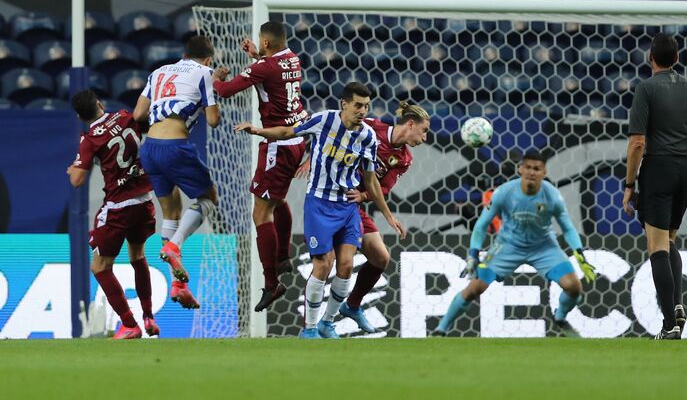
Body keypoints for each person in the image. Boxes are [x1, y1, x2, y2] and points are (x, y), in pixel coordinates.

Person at [234, 82, 406, 339]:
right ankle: (309, 329)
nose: (362, 110)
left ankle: (327, 323)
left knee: (346, 266)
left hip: (348, 207)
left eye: (366, 106)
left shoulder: (368, 136)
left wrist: (389, 216)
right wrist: (260, 130)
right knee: (324, 265)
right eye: (358, 105)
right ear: (344, 104)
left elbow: (371, 180)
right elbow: (288, 132)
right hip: (319, 204)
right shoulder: (324, 120)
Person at [434, 150, 597, 337]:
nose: (532, 172)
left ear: (544, 172)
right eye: (528, 167)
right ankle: (441, 329)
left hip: (544, 247)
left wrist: (579, 252)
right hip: (508, 246)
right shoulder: (504, 192)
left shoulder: (552, 196)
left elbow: (567, 228)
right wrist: (472, 254)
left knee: (574, 286)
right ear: (520, 169)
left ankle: (560, 318)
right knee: (474, 288)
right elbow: (481, 225)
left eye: (537, 168)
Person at [622, 33, 687, 340]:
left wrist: (629, 183)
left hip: (659, 167)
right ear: (677, 59)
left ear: (650, 58)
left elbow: (637, 142)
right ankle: (676, 306)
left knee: (656, 246)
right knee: (669, 239)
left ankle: (669, 324)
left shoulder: (646, 89)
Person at [213, 21, 308, 311]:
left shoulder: (264, 67)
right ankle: (283, 256)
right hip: (298, 137)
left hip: (276, 144)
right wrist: (257, 57)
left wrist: (215, 77)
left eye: (259, 42)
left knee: (261, 213)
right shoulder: (292, 58)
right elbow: (272, 71)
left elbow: (226, 90)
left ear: (266, 42)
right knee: (276, 201)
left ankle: (271, 283)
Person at [133, 35, 221, 310]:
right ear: (208, 59)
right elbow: (213, 120)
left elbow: (138, 115)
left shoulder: (158, 72)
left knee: (171, 212)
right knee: (209, 198)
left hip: (149, 149)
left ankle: (178, 285)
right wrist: (215, 88)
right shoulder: (206, 73)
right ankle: (174, 246)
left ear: (184, 54)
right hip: (175, 146)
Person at [68, 90, 157, 339]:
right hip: (145, 201)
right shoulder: (125, 116)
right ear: (99, 103)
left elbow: (77, 180)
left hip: (119, 207)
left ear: (79, 115)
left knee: (100, 266)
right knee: (138, 255)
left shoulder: (90, 138)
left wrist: (73, 168)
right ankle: (149, 316)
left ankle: (130, 324)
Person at [338, 101, 430, 334]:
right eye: (424, 130)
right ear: (411, 123)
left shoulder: (404, 159)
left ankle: (352, 305)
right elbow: (335, 130)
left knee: (381, 258)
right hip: (331, 195)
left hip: (353, 204)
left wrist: (363, 195)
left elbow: (384, 188)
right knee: (332, 263)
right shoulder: (371, 126)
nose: (425, 138)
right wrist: (312, 157)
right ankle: (317, 323)